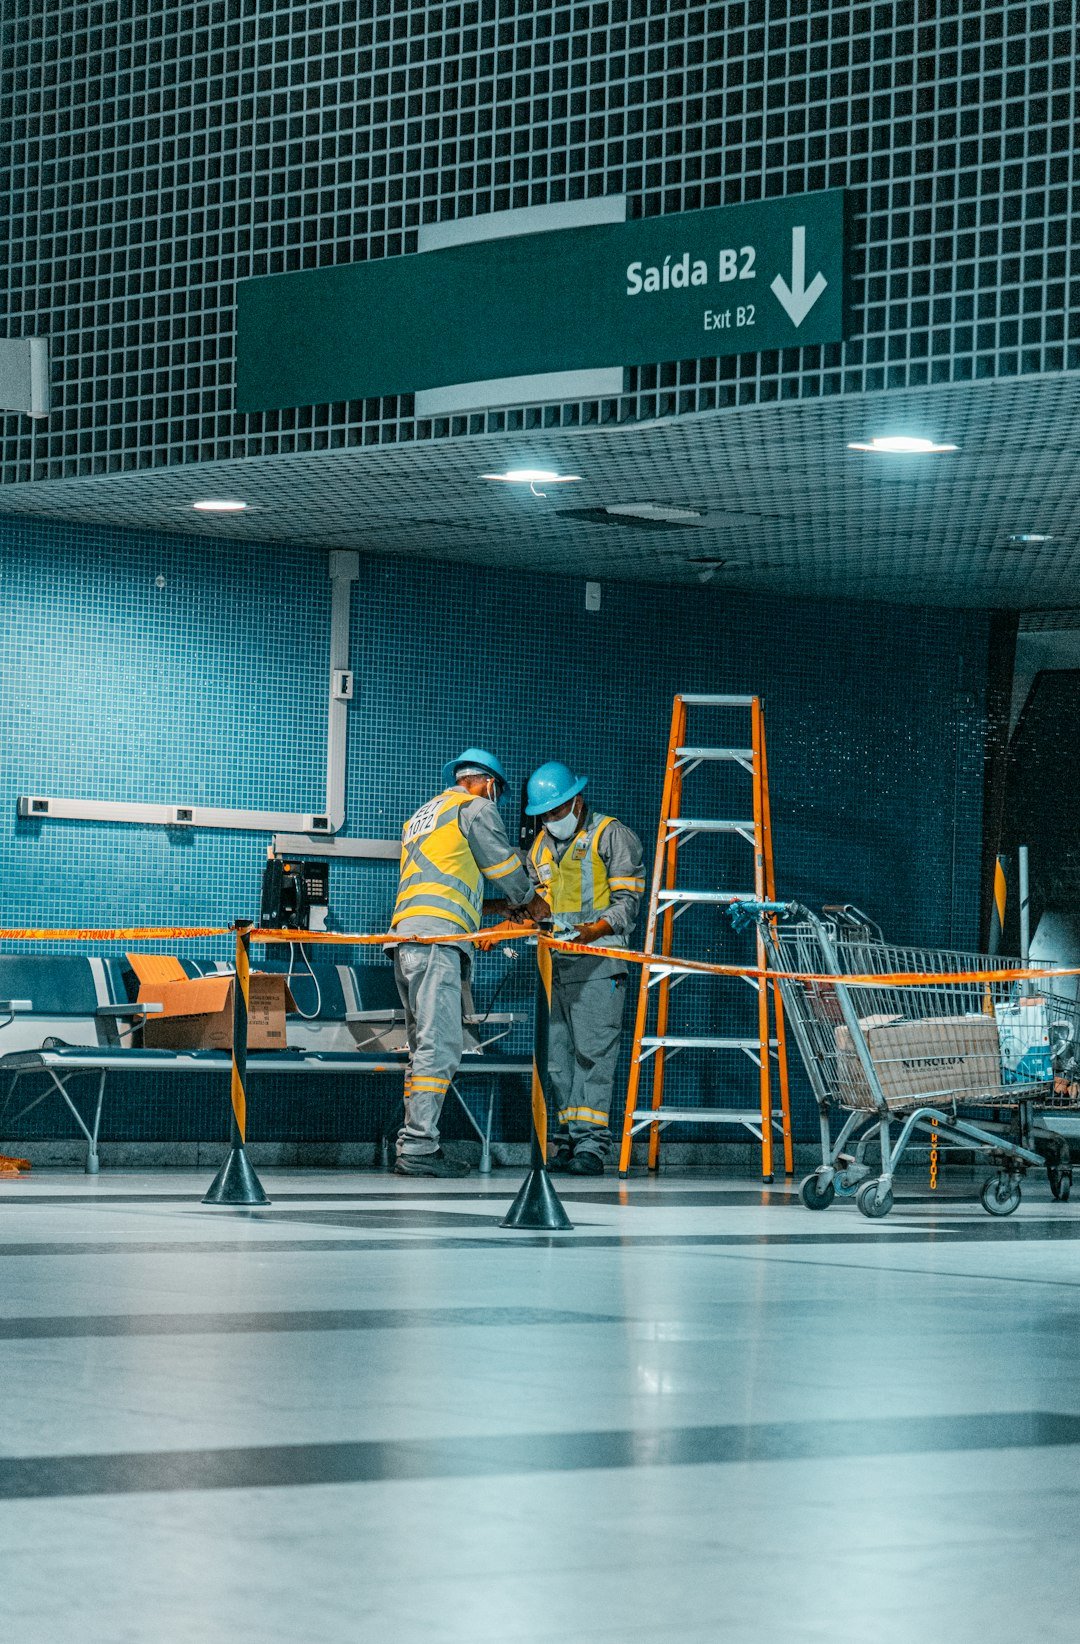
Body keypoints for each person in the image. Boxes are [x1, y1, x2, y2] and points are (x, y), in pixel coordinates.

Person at [389, 747, 548, 1177]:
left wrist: (496, 910)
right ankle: (420, 1147)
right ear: (488, 783)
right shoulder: (475, 807)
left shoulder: (423, 815)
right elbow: (503, 864)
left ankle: (414, 1142)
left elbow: (447, 881)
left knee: (423, 1047)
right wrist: (533, 904)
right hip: (439, 942)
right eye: (498, 791)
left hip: (408, 938)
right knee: (439, 1048)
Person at [524, 760, 645, 1175]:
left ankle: (592, 1145)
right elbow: (535, 905)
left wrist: (591, 932)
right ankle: (566, 1140)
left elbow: (627, 905)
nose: (550, 820)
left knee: (594, 1054)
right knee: (557, 1058)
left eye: (556, 812)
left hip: (600, 964)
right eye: (545, 814)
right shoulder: (538, 848)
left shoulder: (611, 835)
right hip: (555, 965)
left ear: (576, 801)